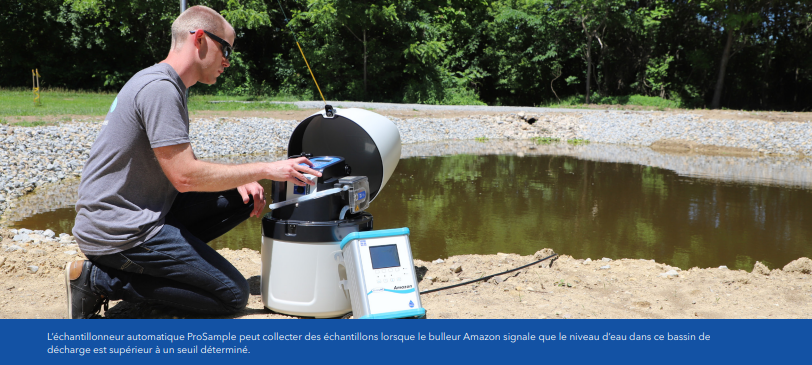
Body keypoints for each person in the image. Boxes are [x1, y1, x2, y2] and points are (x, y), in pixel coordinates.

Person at [65, 5, 321, 319]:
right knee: (231, 295)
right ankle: (98, 279)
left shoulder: (166, 83)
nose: (228, 61)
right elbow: (185, 178)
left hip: (136, 213)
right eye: (226, 49)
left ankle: (162, 267)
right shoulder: (160, 89)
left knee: (239, 196)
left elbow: (181, 161)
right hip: (120, 231)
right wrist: (269, 169)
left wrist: (239, 177)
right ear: (199, 38)